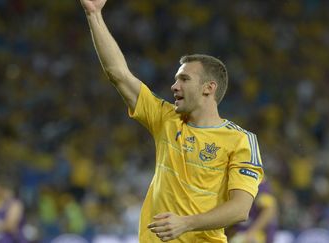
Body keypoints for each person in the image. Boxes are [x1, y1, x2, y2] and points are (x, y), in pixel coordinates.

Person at [79, 0, 264, 242]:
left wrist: (186, 224)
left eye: (184, 79)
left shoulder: (241, 140)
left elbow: (240, 209)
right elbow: (119, 75)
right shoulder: (167, 119)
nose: (174, 86)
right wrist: (94, 15)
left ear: (209, 88)